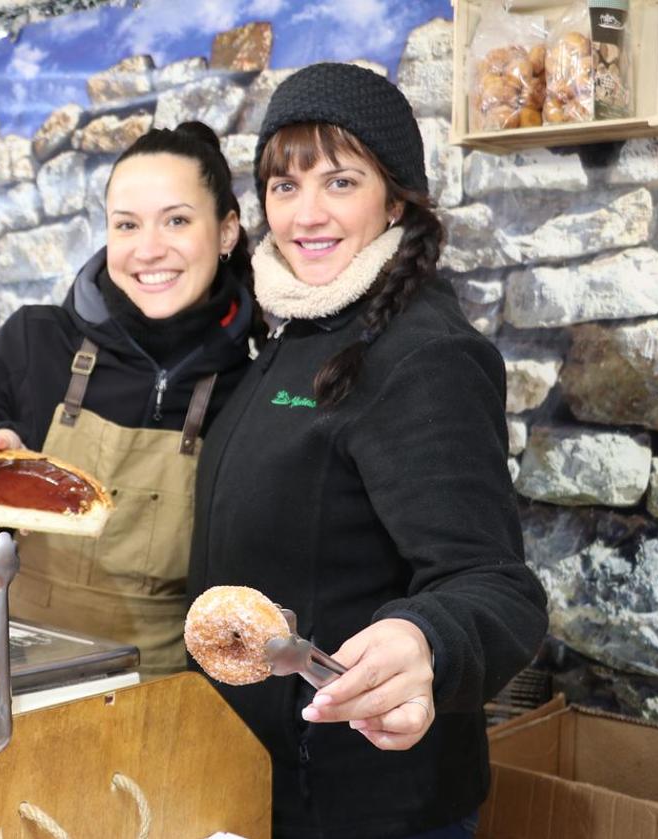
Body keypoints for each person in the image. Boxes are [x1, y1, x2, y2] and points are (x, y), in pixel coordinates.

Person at [186, 64, 549, 838]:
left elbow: (497, 586)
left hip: (368, 804)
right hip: (252, 780)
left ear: (395, 198)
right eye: (284, 186)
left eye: (340, 181)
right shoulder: (290, 328)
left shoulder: (424, 355)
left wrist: (427, 639)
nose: (306, 214)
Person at [0, 121, 259, 675]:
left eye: (176, 220)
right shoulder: (36, 343)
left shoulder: (252, 385)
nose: (149, 249)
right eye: (127, 225)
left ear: (225, 233)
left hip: (162, 699)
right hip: (12, 677)